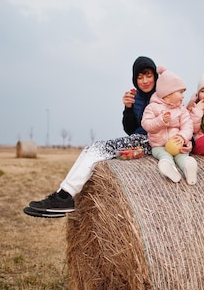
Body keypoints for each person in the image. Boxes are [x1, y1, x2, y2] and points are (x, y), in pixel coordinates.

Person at [26, 56, 181, 217]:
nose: (145, 80)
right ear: (135, 80)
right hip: (136, 143)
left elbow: (181, 116)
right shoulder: (135, 98)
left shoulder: (165, 95)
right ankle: (62, 195)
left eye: (148, 75)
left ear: (156, 76)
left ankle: (64, 197)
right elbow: (130, 130)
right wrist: (128, 108)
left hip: (150, 144)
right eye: (140, 77)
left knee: (99, 149)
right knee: (92, 149)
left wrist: (186, 140)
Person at [141, 67, 197, 185]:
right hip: (158, 145)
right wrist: (161, 121)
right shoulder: (152, 108)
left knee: (182, 156)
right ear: (167, 94)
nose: (183, 96)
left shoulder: (181, 110)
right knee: (164, 155)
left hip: (177, 144)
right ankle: (170, 168)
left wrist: (182, 137)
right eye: (180, 92)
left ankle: (188, 167)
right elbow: (146, 124)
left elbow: (188, 126)